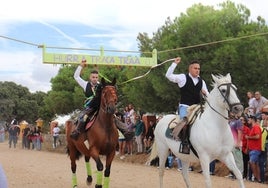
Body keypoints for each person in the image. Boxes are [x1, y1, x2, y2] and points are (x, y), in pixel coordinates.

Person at [165, 57, 209, 153]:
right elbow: (168, 75)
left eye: (198, 69)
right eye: (195, 68)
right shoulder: (182, 77)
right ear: (190, 69)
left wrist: (206, 94)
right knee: (184, 122)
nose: (197, 70)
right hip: (185, 107)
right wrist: (174, 64)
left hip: (197, 107)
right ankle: (184, 143)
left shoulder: (202, 82)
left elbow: (208, 97)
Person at [70, 59, 102, 140]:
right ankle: (77, 132)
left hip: (100, 106)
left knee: (114, 115)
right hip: (90, 107)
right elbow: (76, 76)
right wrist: (81, 66)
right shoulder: (85, 84)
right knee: (82, 117)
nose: (95, 79)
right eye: (93, 77)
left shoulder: (101, 85)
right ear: (90, 77)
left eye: (96, 77)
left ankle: (123, 132)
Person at [226, 112, 244, 179]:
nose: (231, 114)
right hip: (231, 144)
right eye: (231, 113)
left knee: (238, 160)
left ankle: (240, 174)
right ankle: (233, 174)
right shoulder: (231, 122)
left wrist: (238, 143)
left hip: (236, 143)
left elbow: (240, 132)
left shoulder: (238, 121)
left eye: (232, 113)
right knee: (232, 160)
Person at [245, 115, 262, 183]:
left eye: (249, 119)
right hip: (253, 149)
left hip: (255, 149)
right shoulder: (253, 127)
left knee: (251, 162)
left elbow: (257, 136)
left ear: (253, 119)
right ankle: (258, 179)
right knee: (255, 163)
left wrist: (248, 137)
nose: (248, 120)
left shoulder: (256, 127)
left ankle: (256, 178)